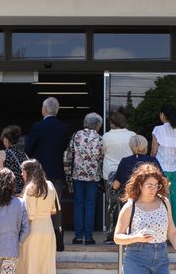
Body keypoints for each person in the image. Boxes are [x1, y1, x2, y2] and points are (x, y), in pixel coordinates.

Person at [15, 159, 60, 274]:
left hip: (33, 232)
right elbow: (54, 210)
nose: (21, 174)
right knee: (48, 268)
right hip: (48, 230)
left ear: (28, 172)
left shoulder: (30, 189)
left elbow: (30, 215)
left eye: (23, 171)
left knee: (30, 267)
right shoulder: (50, 185)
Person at [26, 98, 69, 243]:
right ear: (56, 110)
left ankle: (36, 236)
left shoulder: (37, 127)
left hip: (38, 173)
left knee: (35, 203)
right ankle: (57, 236)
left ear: (44, 109)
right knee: (55, 204)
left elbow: (28, 149)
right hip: (56, 170)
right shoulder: (63, 128)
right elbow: (64, 148)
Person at [65, 112, 103, 244]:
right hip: (93, 176)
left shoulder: (76, 135)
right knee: (90, 205)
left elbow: (69, 154)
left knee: (78, 204)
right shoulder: (99, 138)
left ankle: (78, 236)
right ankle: (88, 237)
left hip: (77, 174)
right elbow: (101, 157)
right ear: (97, 125)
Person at [150, 104, 176, 234]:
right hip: (175, 169)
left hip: (161, 170)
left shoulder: (158, 130)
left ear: (163, 115)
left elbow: (154, 151)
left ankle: (163, 233)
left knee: (162, 202)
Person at [101, 110, 135, 242]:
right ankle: (127, 232)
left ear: (112, 123)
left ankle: (111, 235)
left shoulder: (106, 136)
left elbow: (103, 152)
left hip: (110, 172)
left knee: (111, 204)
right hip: (128, 171)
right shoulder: (132, 135)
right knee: (129, 203)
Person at [0, 125, 27, 194]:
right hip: (22, 193)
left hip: (8, 194)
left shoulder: (0, 154)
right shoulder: (24, 155)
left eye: (2, 138)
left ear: (6, 139)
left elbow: (0, 178)